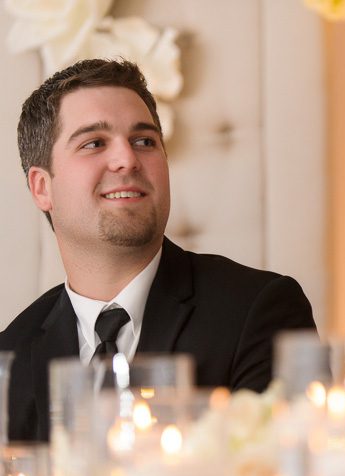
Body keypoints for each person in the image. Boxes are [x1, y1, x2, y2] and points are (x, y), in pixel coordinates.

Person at [0, 59, 316, 442]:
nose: (127, 159)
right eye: (94, 143)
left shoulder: (259, 309)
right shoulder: (11, 355)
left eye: (144, 141)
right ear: (42, 187)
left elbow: (281, 470)